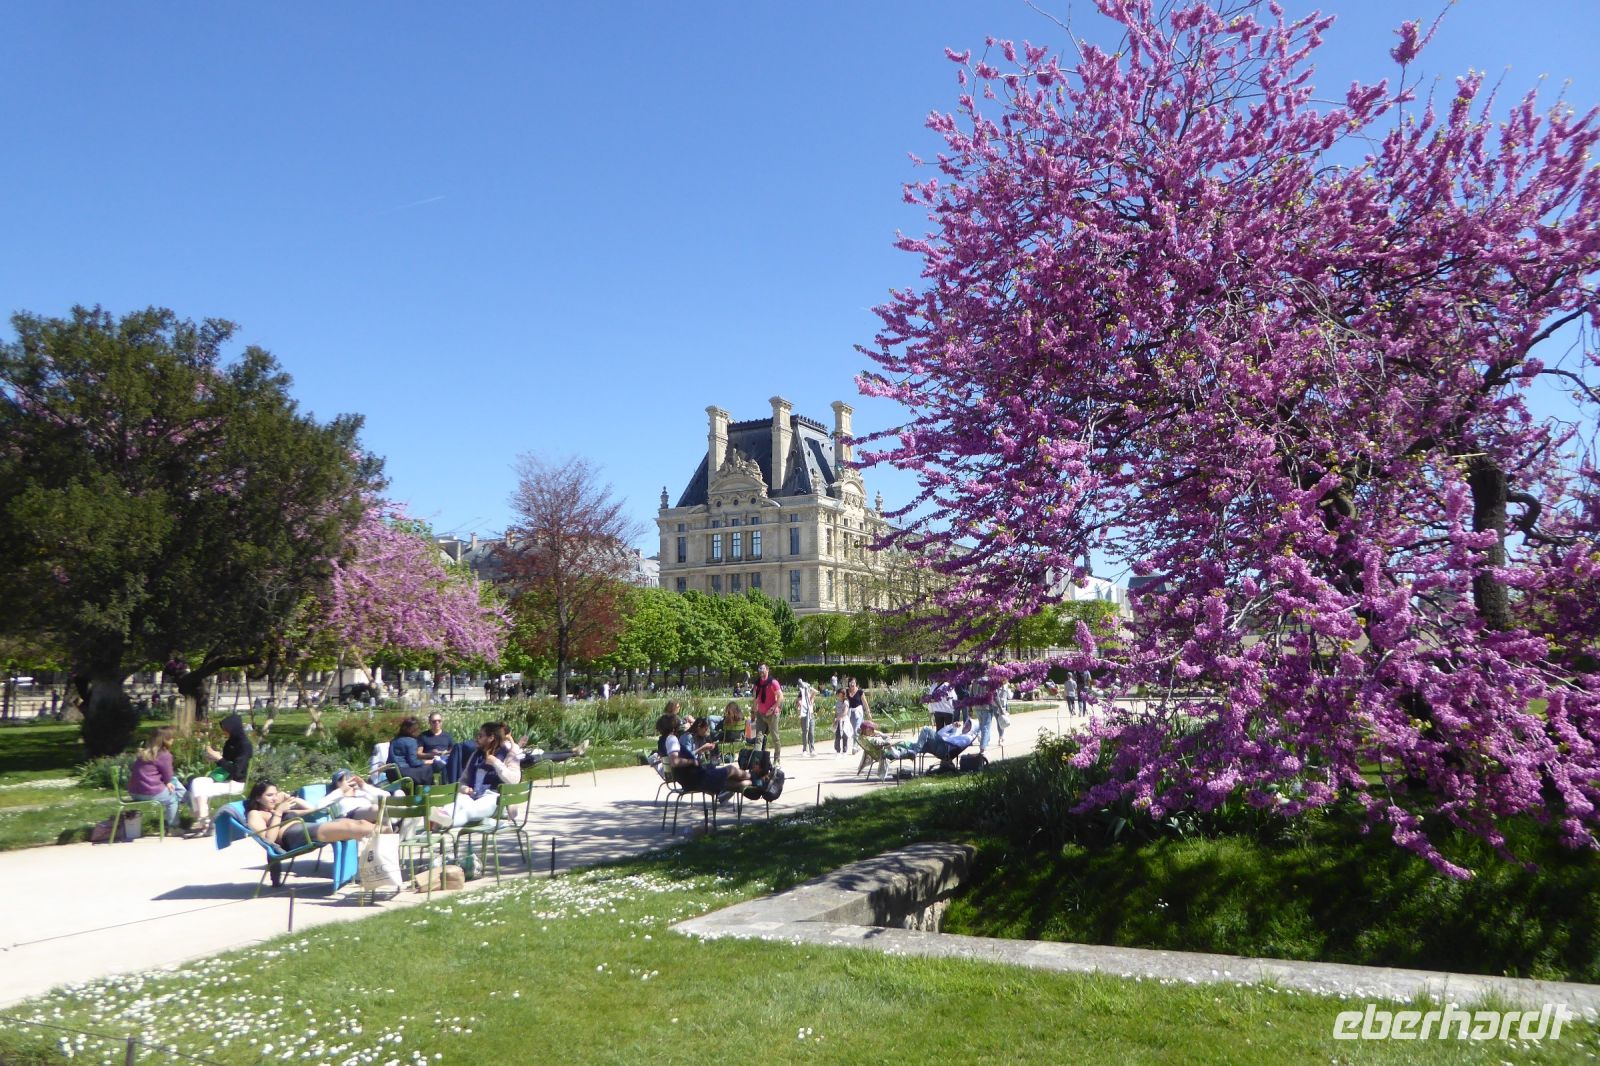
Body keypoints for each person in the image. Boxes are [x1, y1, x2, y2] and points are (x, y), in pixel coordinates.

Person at [244, 780, 376, 853]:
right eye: (269, 795)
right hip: (293, 836)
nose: (274, 798)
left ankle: (385, 833)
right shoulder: (255, 814)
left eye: (275, 794)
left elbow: (311, 809)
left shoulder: (277, 810)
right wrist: (279, 812)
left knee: (358, 822)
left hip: (305, 828)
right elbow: (268, 841)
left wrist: (291, 798)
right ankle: (385, 834)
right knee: (349, 827)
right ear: (258, 798)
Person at [655, 711, 749, 802]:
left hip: (691, 778)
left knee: (730, 780)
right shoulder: (672, 739)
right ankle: (752, 777)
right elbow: (675, 761)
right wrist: (692, 761)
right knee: (731, 770)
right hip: (696, 778)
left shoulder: (663, 741)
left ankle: (753, 781)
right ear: (673, 728)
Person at [441, 722, 521, 827]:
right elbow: (463, 780)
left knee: (469, 812)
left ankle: (442, 825)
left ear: (491, 738)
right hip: (474, 796)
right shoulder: (476, 755)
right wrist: (464, 788)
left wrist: (496, 763)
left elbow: (514, 780)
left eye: (480, 736)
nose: (476, 738)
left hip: (497, 799)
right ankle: (437, 821)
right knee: (453, 805)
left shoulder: (508, 755)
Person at [188, 713, 252, 833]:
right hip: (222, 778)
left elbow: (236, 771)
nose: (224, 732)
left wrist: (219, 758)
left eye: (226, 730)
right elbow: (225, 764)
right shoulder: (230, 743)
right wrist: (214, 758)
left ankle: (203, 821)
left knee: (200, 790)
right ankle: (203, 819)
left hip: (235, 782)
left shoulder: (244, 746)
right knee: (196, 782)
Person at [127, 726, 186, 831]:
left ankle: (188, 801)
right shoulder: (165, 755)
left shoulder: (144, 754)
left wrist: (168, 782)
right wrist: (167, 782)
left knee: (175, 782)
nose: (173, 740)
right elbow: (168, 775)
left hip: (134, 792)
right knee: (172, 799)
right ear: (166, 740)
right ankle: (174, 827)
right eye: (172, 738)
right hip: (150, 792)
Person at [387, 717, 433, 788]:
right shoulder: (411, 741)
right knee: (427, 769)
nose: (418, 731)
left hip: (390, 773)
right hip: (402, 773)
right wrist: (426, 762)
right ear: (411, 730)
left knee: (421, 770)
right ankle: (425, 791)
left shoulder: (394, 740)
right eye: (417, 729)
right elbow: (413, 762)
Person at [751, 663, 782, 764]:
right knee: (758, 738)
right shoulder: (757, 684)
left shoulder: (773, 682)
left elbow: (781, 697)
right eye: (759, 669)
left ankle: (777, 760)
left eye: (763, 669)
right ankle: (756, 762)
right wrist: (753, 712)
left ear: (767, 670)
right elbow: (755, 699)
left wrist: (772, 708)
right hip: (761, 714)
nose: (761, 671)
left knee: (775, 737)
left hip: (772, 715)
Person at [418, 713, 454, 781]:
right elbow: (418, 754)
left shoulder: (447, 736)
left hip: (444, 759)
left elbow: (452, 751)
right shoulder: (423, 736)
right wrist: (431, 754)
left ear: (441, 722)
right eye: (434, 721)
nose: (437, 723)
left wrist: (444, 753)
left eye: (439, 721)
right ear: (429, 722)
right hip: (430, 761)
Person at [844, 678, 869, 755]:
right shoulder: (846, 692)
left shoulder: (860, 692)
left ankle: (855, 746)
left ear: (855, 683)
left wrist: (868, 712)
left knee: (856, 729)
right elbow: (843, 701)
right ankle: (859, 744)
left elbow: (865, 702)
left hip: (858, 713)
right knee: (852, 730)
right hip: (850, 713)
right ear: (848, 684)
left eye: (853, 683)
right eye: (850, 683)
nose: (852, 684)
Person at [795, 679, 817, 755]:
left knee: (811, 733)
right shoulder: (800, 698)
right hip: (804, 716)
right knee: (805, 733)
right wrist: (799, 707)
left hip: (811, 716)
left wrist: (809, 688)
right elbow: (798, 706)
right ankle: (805, 750)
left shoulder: (810, 697)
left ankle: (812, 749)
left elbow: (815, 692)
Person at [833, 686, 850, 754]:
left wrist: (840, 717)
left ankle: (844, 750)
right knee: (838, 735)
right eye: (837, 694)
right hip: (838, 721)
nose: (838, 695)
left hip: (844, 721)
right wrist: (834, 719)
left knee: (844, 735)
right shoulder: (837, 702)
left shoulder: (845, 702)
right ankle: (837, 750)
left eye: (839, 694)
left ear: (843, 694)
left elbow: (845, 712)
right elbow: (836, 712)